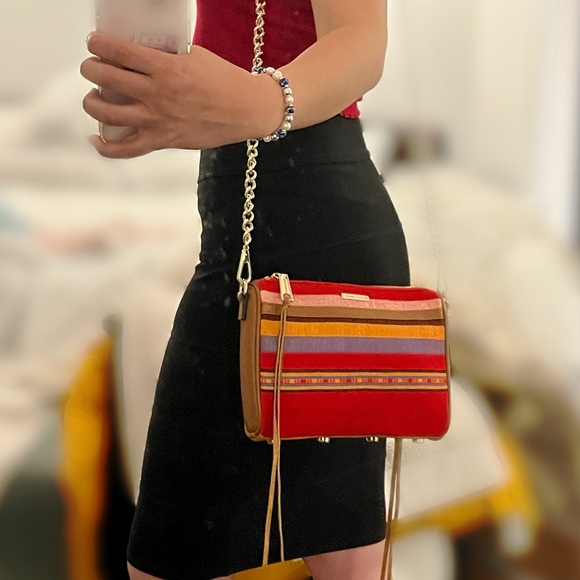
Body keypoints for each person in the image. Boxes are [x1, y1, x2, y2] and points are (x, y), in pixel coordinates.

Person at [80, 1, 410, 579]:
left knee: (329, 548)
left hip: (317, 232)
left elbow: (362, 41)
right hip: (247, 231)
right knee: (342, 552)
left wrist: (254, 101)